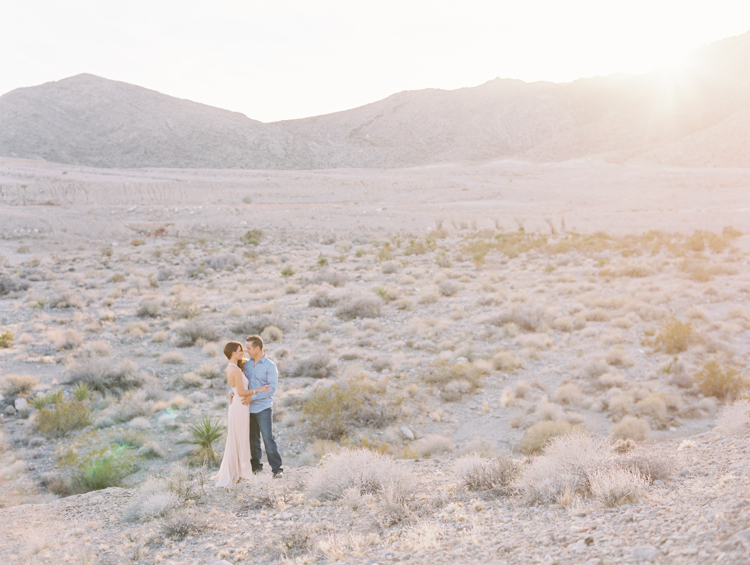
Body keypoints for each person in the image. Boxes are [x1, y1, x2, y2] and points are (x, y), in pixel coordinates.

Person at [214, 341, 270, 487]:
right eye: (239, 351)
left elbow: (234, 389)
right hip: (240, 405)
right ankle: (241, 473)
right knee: (240, 437)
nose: (242, 353)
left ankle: (238, 471)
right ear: (233, 352)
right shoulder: (236, 370)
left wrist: (231, 392)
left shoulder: (230, 367)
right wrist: (259, 390)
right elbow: (241, 392)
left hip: (238, 406)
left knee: (237, 437)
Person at [241, 334, 284, 478]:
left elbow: (270, 390)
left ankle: (277, 469)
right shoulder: (246, 365)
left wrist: (253, 397)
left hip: (263, 408)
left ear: (257, 348)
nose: (247, 351)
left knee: (268, 438)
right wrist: (231, 392)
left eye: (249, 348)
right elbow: (239, 382)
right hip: (248, 408)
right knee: (253, 439)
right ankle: (256, 468)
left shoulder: (270, 366)